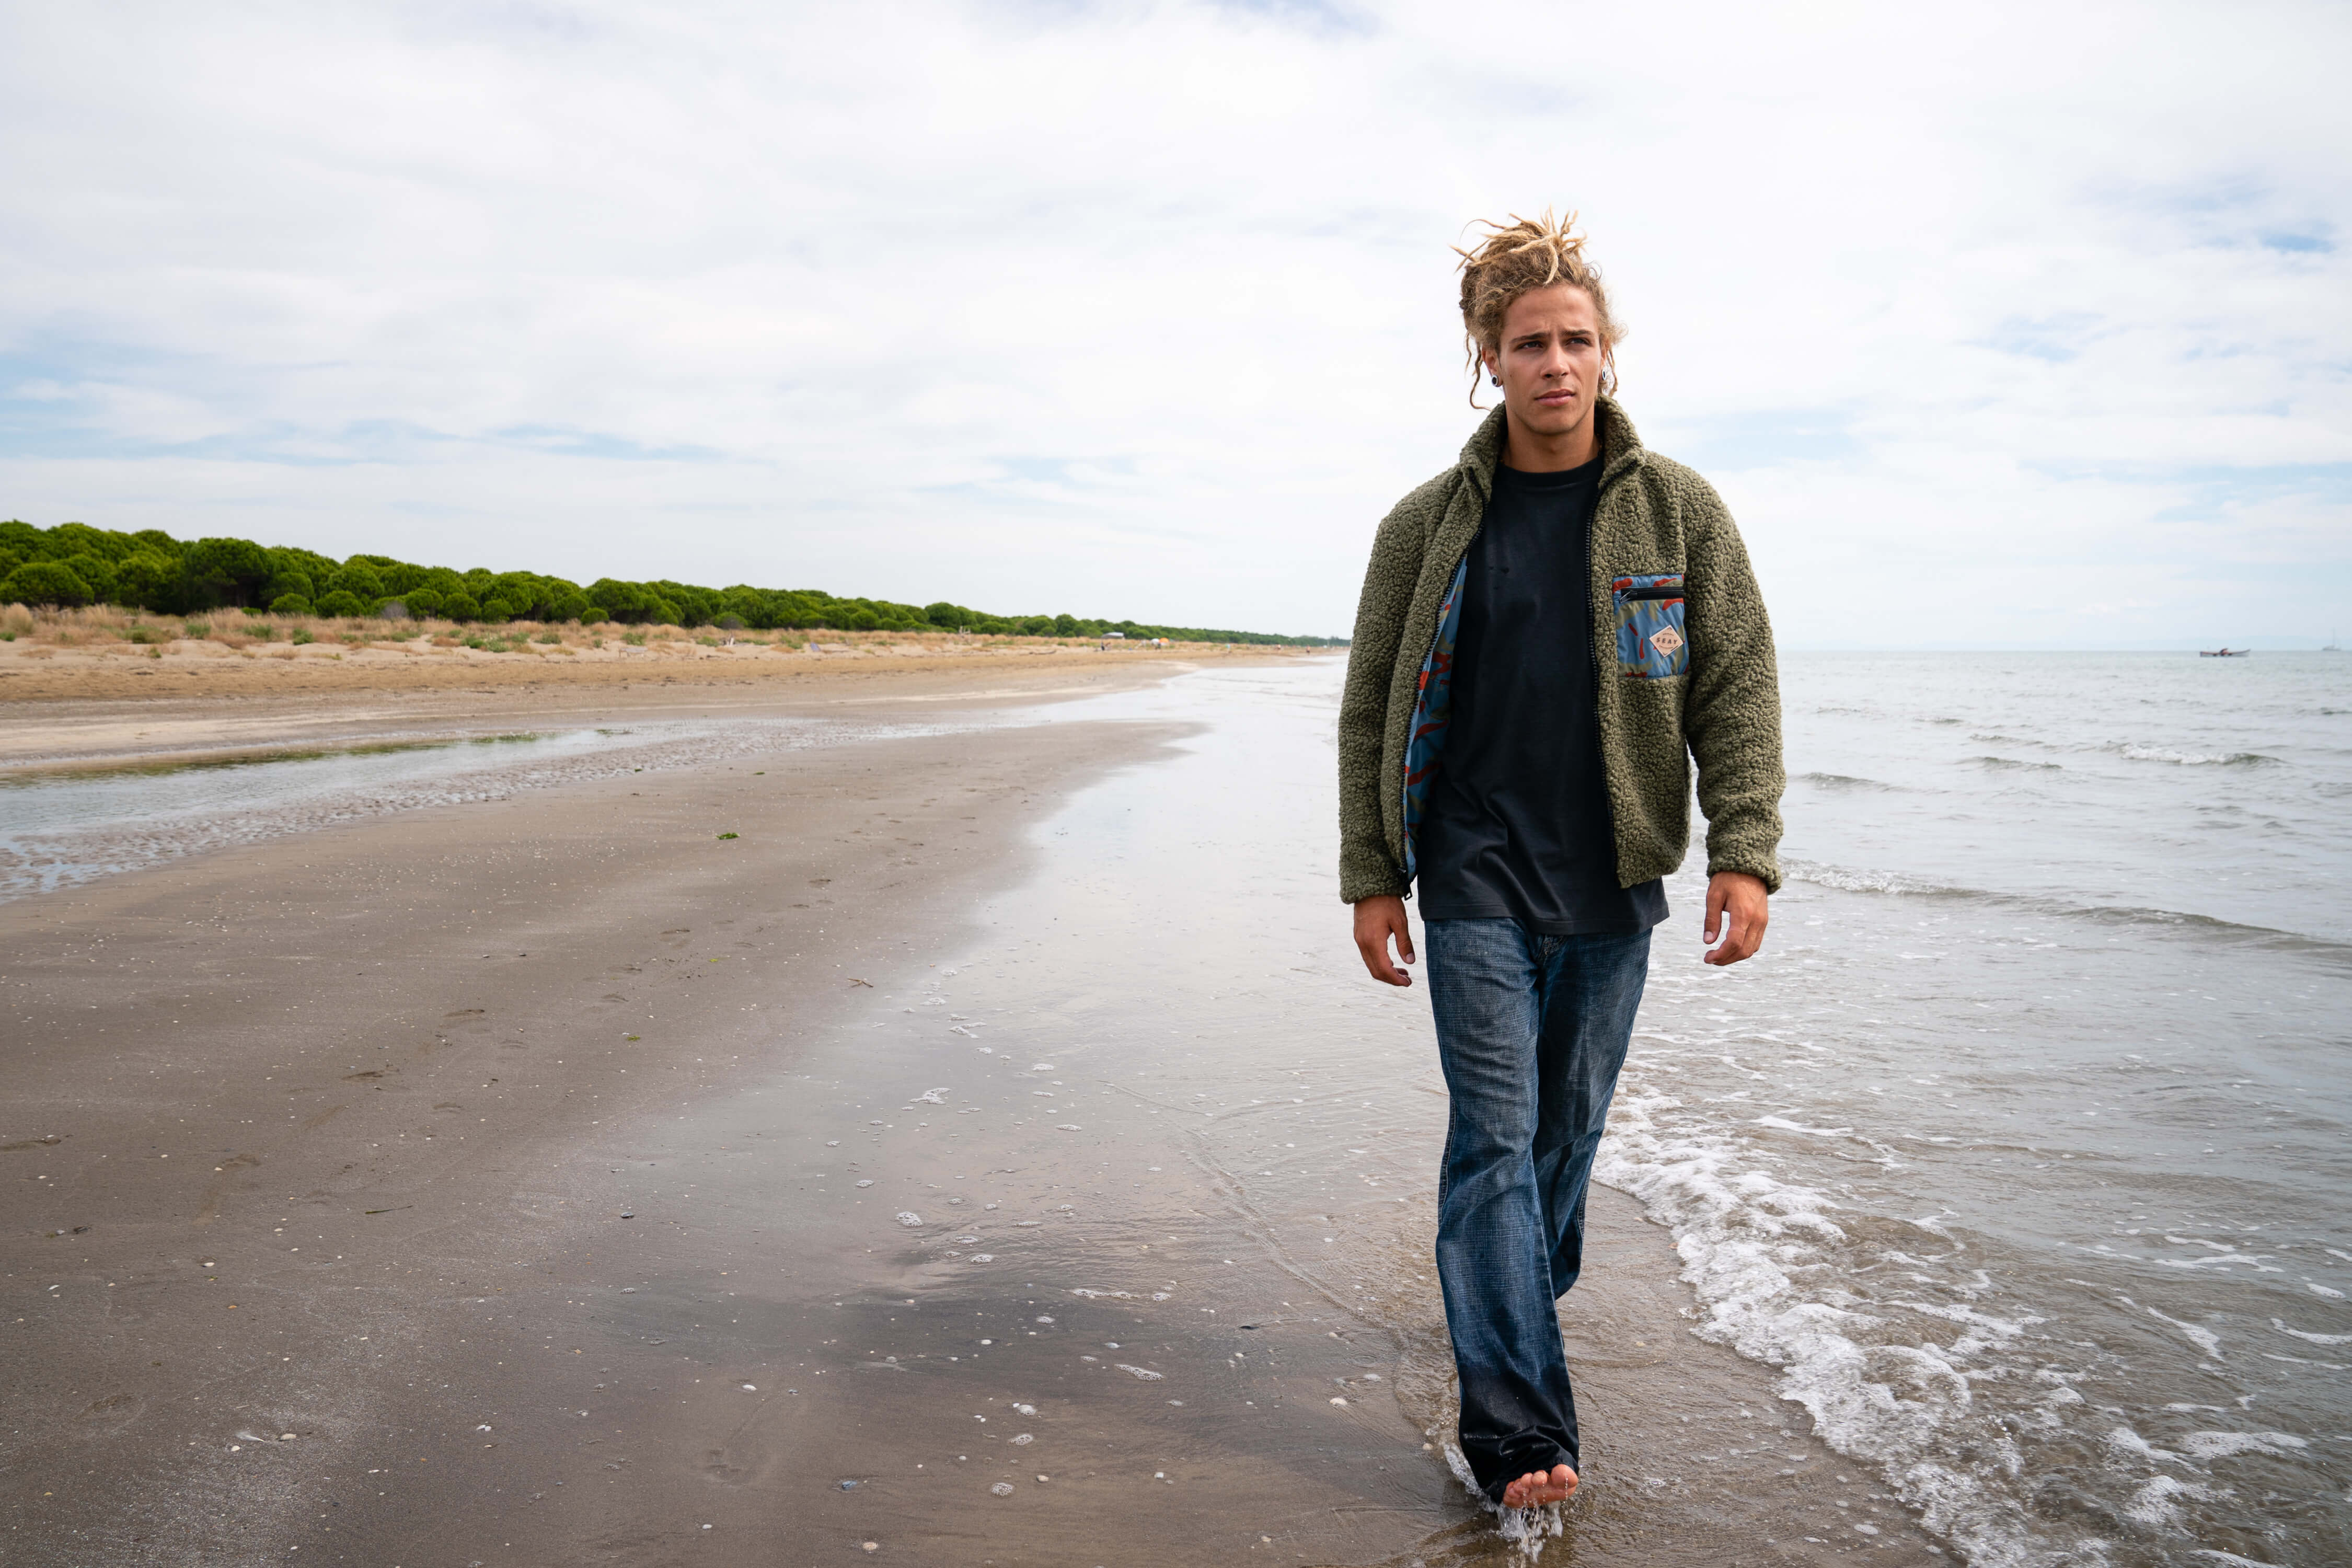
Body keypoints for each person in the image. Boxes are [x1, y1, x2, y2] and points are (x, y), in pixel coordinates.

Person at [1336, 211, 1785, 1513]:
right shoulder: (1426, 527)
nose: (1554, 362)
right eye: (1528, 341)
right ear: (1490, 356)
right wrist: (1374, 872)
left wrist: (1743, 854)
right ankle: (1521, 1433)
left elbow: (1739, 689)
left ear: (1608, 355)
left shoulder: (1678, 513)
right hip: (1471, 869)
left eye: (1576, 339)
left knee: (1564, 1140)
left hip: (1613, 881)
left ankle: (1509, 1296)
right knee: (1496, 1137)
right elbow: (1372, 703)